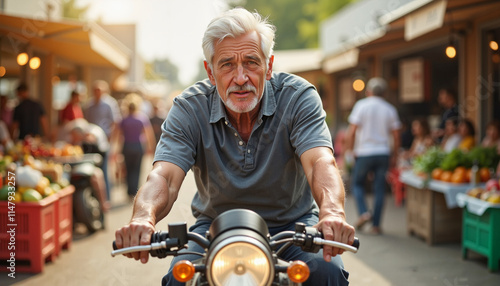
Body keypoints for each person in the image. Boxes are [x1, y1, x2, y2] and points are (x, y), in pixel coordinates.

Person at [115, 8, 354, 286]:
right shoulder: (189, 107)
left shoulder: (298, 97)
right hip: (214, 229)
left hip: (291, 230)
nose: (240, 78)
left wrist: (332, 213)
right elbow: (164, 176)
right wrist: (143, 218)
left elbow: (320, 162)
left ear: (269, 65)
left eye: (251, 62)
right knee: (178, 279)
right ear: (210, 71)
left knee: (328, 273)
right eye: (227, 64)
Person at [346, 77, 401, 235]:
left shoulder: (361, 106)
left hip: (364, 153)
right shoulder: (390, 109)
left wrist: (349, 151)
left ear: (368, 91)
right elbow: (396, 136)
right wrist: (394, 155)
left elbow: (352, 131)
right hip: (383, 152)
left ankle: (364, 212)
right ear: (384, 93)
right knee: (379, 189)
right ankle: (376, 225)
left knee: (357, 184)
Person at [84, 80, 122, 201]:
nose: (97, 92)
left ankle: (106, 198)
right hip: (92, 141)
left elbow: (114, 123)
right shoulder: (90, 105)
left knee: (104, 169)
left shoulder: (109, 103)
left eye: (99, 90)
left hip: (104, 140)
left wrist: (111, 139)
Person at [64, 118, 111, 211]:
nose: (72, 138)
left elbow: (94, 148)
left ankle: (104, 203)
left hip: (100, 156)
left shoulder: (90, 135)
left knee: (99, 175)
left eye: (74, 135)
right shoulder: (79, 138)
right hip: (86, 162)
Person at [118, 93, 156, 199]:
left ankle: (129, 191)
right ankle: (134, 191)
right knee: (137, 169)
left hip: (126, 146)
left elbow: (118, 135)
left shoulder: (123, 119)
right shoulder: (142, 118)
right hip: (138, 146)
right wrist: (151, 148)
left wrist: (115, 151)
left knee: (128, 169)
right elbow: (149, 135)